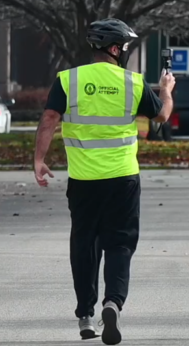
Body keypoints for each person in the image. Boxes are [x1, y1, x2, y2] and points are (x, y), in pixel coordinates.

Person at [32, 18, 174, 345]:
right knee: (120, 243)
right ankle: (113, 303)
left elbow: (49, 119)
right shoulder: (133, 82)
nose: (124, 52)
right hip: (123, 178)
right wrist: (165, 90)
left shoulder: (68, 80)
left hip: (83, 180)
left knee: (84, 243)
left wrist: (39, 160)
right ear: (114, 49)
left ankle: (84, 313)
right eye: (123, 47)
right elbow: (161, 117)